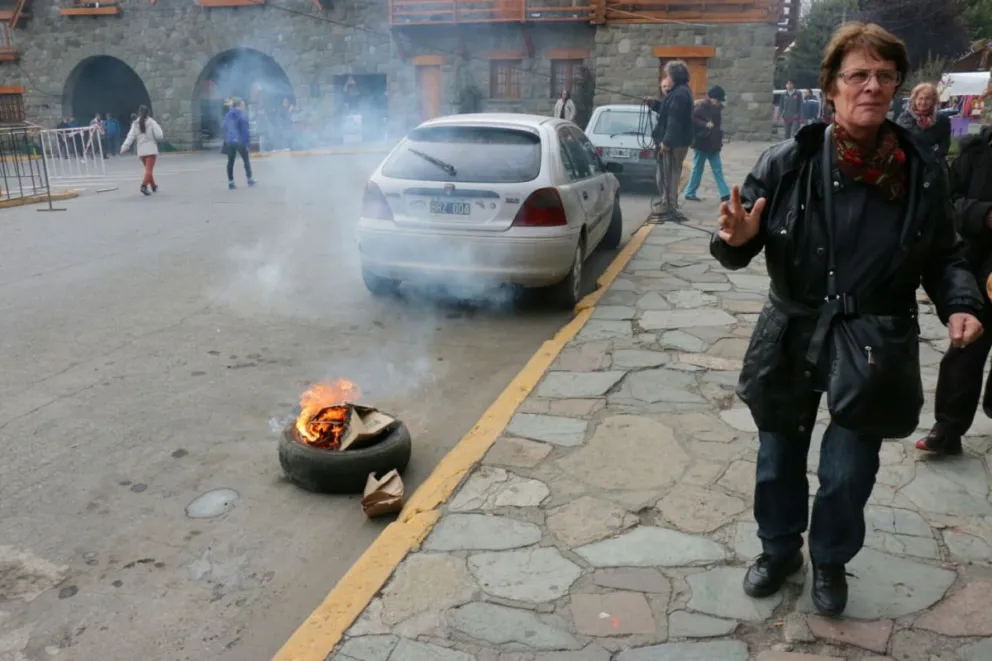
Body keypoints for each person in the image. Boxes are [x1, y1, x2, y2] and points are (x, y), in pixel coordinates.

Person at [711, 22, 983, 617]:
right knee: (778, 457)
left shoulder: (921, 172)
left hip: (876, 339)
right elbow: (736, 241)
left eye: (885, 76)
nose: (873, 86)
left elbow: (944, 255)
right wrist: (735, 238)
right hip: (792, 329)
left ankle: (830, 560)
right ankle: (780, 550)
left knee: (846, 471)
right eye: (858, 75)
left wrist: (960, 302)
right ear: (830, 88)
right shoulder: (788, 161)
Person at [917, 125, 992, 454]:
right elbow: (949, 205)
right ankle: (948, 428)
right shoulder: (975, 152)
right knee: (965, 350)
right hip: (978, 269)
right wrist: (985, 215)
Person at [644, 60, 693, 222]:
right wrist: (653, 103)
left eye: (669, 75)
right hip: (676, 141)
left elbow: (674, 121)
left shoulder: (679, 94)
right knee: (666, 174)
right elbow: (667, 112)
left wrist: (666, 142)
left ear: (674, 76)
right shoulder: (678, 92)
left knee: (670, 175)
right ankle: (667, 203)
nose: (667, 78)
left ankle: (670, 207)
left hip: (675, 143)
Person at [684, 86, 730, 204]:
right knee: (698, 169)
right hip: (701, 142)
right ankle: (690, 192)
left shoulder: (717, 108)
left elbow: (717, 126)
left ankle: (725, 194)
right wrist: (705, 124)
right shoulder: (701, 106)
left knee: (717, 169)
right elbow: (691, 118)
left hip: (713, 143)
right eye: (717, 100)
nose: (719, 102)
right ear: (711, 98)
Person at [897, 82, 951, 162]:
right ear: (914, 100)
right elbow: (904, 143)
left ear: (933, 100)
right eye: (920, 98)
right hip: (911, 162)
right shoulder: (905, 118)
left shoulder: (942, 119)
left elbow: (944, 144)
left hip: (934, 163)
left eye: (927, 99)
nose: (923, 102)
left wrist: (934, 157)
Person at [120, 105, 164, 196]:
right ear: (148, 113)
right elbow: (159, 135)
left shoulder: (135, 124)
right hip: (151, 149)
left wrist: (124, 147)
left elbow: (130, 137)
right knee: (149, 170)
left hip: (141, 151)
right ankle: (143, 186)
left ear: (138, 112)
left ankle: (153, 186)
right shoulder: (151, 122)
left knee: (148, 169)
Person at [223, 98, 255, 189]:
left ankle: (231, 182)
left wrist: (228, 137)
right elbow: (245, 130)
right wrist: (247, 143)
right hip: (240, 141)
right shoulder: (241, 114)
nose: (244, 106)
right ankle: (249, 179)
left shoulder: (228, 114)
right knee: (246, 160)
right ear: (239, 105)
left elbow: (224, 126)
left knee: (230, 162)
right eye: (243, 105)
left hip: (229, 141)